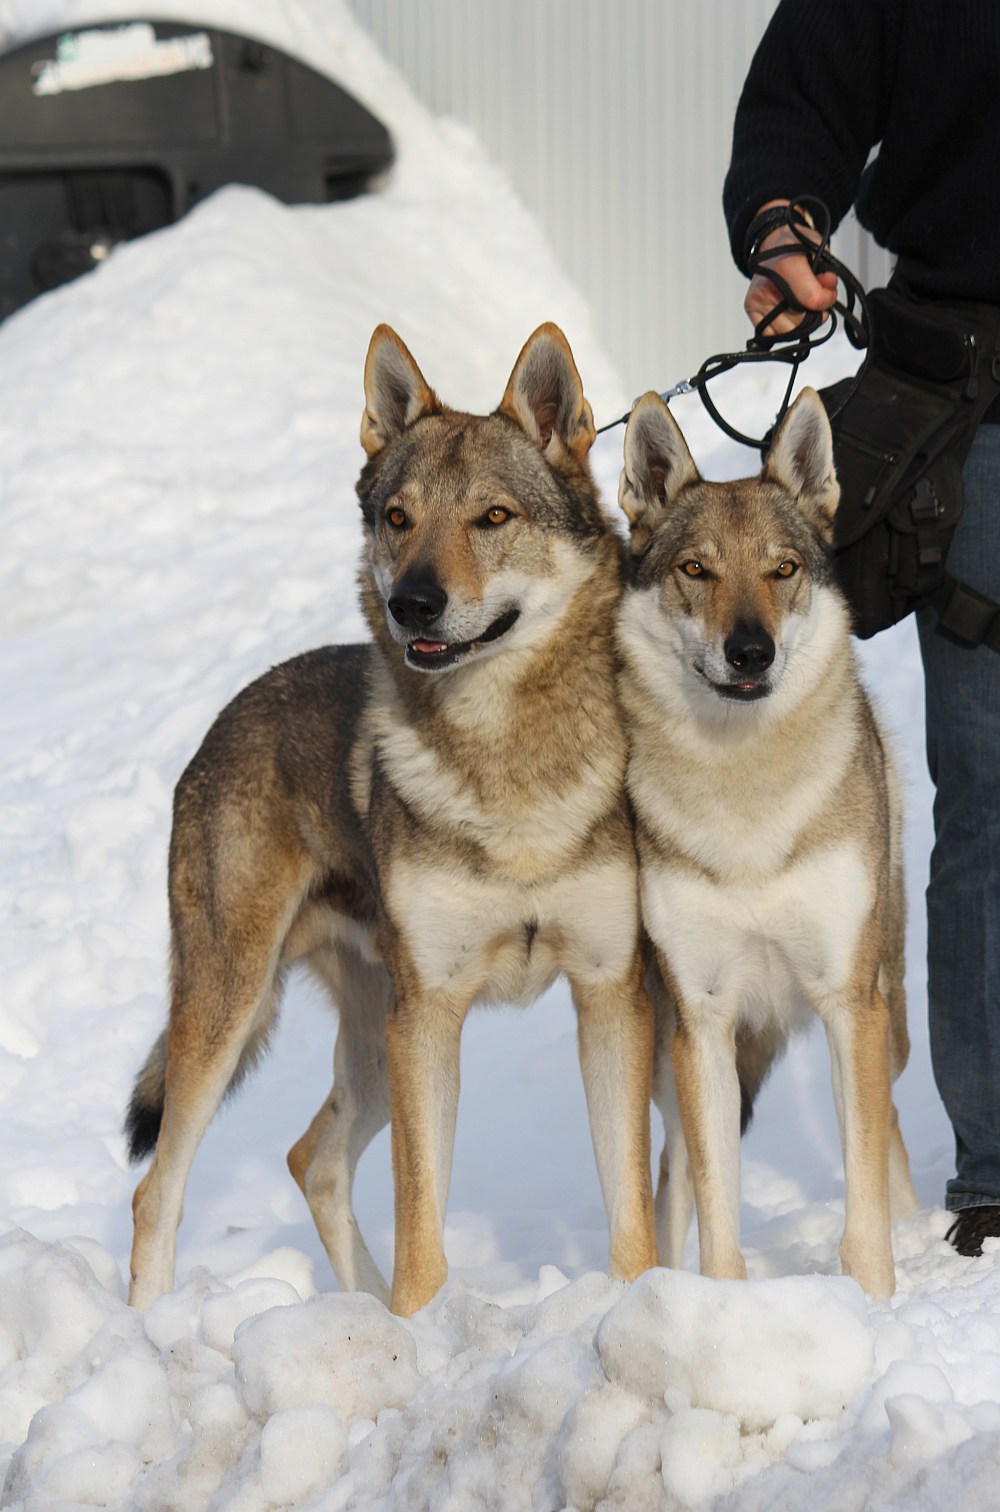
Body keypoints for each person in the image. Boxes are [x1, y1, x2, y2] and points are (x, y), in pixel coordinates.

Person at [722, 0, 1000, 1257]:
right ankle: (997, 1166)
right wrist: (785, 227)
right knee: (989, 802)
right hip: (969, 407)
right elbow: (801, 102)